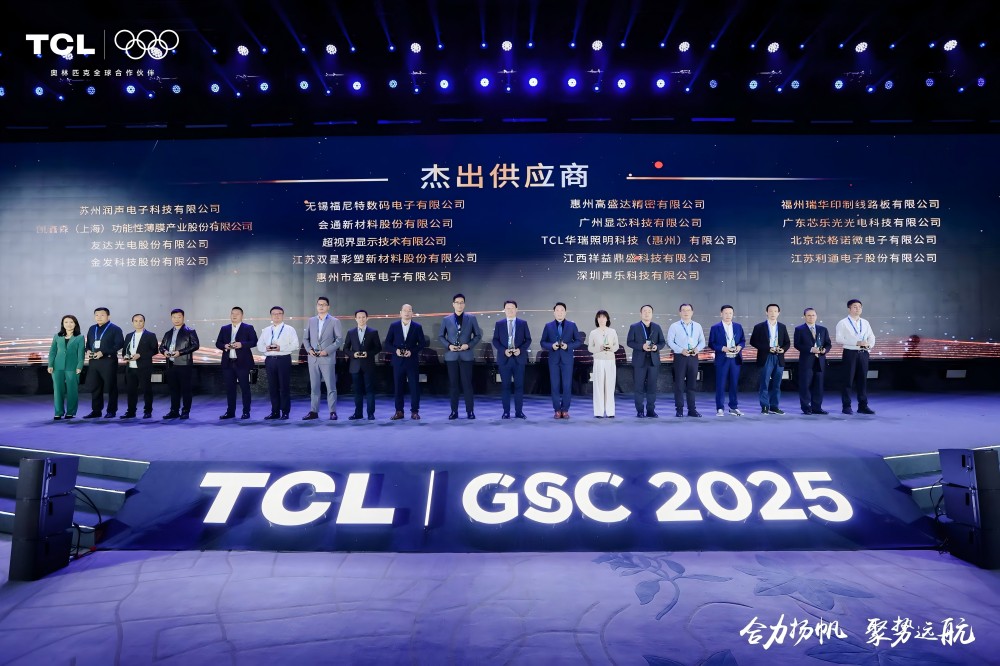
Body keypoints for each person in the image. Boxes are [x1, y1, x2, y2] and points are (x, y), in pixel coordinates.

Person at [439, 293, 483, 420]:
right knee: (453, 385)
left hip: (466, 355)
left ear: (464, 304)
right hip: (451, 356)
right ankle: (454, 411)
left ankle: (470, 411)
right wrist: (449, 346)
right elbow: (441, 336)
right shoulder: (446, 319)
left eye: (461, 302)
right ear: (453, 304)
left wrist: (468, 345)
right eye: (457, 302)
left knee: (467, 385)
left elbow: (478, 335)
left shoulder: (471, 318)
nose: (459, 305)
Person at [302, 297, 343, 421]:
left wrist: (327, 351)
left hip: (327, 358)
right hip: (313, 358)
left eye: (324, 304)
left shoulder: (334, 321)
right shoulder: (311, 321)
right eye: (319, 304)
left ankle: (332, 412)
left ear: (328, 307)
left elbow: (339, 340)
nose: (321, 306)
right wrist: (309, 350)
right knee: (314, 387)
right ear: (316, 306)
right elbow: (305, 338)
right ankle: (314, 411)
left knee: (331, 387)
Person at [385, 303, 427, 420]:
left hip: (412, 361)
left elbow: (422, 343)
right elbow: (387, 343)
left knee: (414, 387)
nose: (407, 313)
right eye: (405, 310)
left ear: (412, 313)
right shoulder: (394, 326)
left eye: (409, 311)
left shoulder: (417, 327)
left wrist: (412, 351)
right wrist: (396, 351)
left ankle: (415, 411)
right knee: (398, 387)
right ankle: (399, 411)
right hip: (398, 361)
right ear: (400, 313)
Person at [256, 306, 299, 420]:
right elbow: (259, 345)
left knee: (284, 387)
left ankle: (285, 412)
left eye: (279, 313)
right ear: (271, 316)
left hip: (283, 359)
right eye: (274, 314)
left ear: (283, 315)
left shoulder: (289, 329)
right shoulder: (266, 330)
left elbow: (295, 345)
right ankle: (275, 412)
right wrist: (266, 348)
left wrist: (281, 348)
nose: (276, 315)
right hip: (270, 360)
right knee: (272, 387)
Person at [215, 306, 258, 420]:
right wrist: (225, 346)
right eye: (232, 313)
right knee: (230, 389)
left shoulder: (248, 328)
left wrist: (242, 344)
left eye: (237, 314)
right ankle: (230, 412)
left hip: (243, 363)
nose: (234, 316)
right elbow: (218, 343)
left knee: (245, 388)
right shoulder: (224, 328)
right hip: (228, 363)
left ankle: (246, 412)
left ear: (242, 316)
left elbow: (254, 341)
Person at [540, 302, 582, 419]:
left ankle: (565, 409)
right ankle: (557, 410)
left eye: (562, 310)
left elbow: (578, 341)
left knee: (567, 385)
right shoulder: (548, 326)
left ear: (565, 312)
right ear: (554, 313)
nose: (559, 312)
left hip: (567, 359)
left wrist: (568, 346)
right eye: (557, 310)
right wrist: (551, 346)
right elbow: (543, 342)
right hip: (553, 359)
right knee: (555, 385)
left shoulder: (572, 325)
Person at [491, 300, 531, 419]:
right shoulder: (499, 324)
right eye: (507, 308)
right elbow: (495, 340)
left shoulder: (523, 323)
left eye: (512, 308)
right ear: (504, 310)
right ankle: (506, 412)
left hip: (519, 359)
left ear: (516, 309)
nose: (510, 310)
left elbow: (528, 339)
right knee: (505, 386)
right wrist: (503, 350)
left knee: (519, 386)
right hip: (505, 359)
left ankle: (519, 412)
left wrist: (521, 350)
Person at [836, 298, 876, 415]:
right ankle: (846, 406)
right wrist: (856, 342)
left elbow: (871, 336)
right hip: (850, 353)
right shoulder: (843, 322)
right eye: (854, 307)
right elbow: (839, 339)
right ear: (849, 309)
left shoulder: (865, 322)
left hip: (864, 353)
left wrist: (869, 345)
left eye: (859, 307)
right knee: (848, 380)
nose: (857, 309)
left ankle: (863, 406)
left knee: (862, 380)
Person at [83, 307, 124, 418]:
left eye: (102, 315)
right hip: (94, 362)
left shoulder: (115, 329)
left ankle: (111, 410)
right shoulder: (92, 328)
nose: (99, 317)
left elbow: (119, 344)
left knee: (111, 387)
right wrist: (87, 351)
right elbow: (88, 344)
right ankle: (96, 411)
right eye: (96, 315)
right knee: (95, 387)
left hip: (108, 361)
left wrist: (104, 352)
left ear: (108, 316)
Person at [158, 308, 200, 419]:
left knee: (186, 389)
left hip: (184, 364)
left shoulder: (190, 331)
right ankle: (174, 411)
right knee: (173, 389)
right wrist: (164, 352)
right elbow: (161, 347)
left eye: (179, 317)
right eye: (174, 317)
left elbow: (195, 345)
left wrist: (180, 352)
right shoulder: (168, 333)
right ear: (171, 318)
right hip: (170, 364)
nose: (176, 319)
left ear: (183, 317)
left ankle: (185, 411)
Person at [749, 304, 791, 415]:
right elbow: (753, 342)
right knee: (764, 383)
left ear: (778, 313)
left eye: (775, 311)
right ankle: (764, 406)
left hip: (779, 358)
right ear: (766, 312)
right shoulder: (759, 327)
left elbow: (787, 343)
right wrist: (768, 348)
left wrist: (783, 349)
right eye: (771, 311)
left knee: (777, 384)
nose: (773, 313)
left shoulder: (782, 327)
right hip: (766, 357)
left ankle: (774, 407)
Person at [626, 304, 666, 418]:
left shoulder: (657, 327)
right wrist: (641, 346)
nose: (647, 313)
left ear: (652, 314)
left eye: (649, 311)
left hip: (653, 361)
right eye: (644, 311)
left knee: (652, 387)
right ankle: (640, 411)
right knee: (638, 388)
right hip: (640, 361)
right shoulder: (634, 327)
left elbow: (662, 342)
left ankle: (650, 410)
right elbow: (629, 342)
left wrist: (656, 347)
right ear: (641, 313)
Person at [667, 303, 705, 418]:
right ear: (680, 312)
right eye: (683, 310)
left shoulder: (697, 326)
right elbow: (670, 341)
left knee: (692, 385)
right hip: (680, 357)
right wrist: (681, 350)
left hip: (693, 357)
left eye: (688, 310)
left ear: (692, 312)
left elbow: (702, 341)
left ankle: (692, 410)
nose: (686, 312)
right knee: (679, 385)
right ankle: (679, 410)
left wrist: (697, 349)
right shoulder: (674, 326)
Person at [343, 309, 382, 420]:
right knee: (357, 391)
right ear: (355, 319)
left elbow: (378, 348)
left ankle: (370, 414)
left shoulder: (373, 332)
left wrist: (368, 354)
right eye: (359, 317)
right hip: (355, 366)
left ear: (367, 318)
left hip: (368, 365)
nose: (361, 319)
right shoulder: (351, 332)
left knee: (370, 390)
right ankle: (358, 414)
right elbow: (345, 348)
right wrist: (353, 354)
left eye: (363, 317)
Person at [708, 305, 746, 417]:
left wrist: (739, 347)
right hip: (722, 359)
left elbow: (743, 340)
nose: (728, 315)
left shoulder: (738, 326)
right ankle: (720, 408)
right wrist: (722, 348)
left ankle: (733, 407)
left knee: (734, 384)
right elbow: (711, 343)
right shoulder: (715, 327)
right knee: (720, 384)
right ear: (721, 314)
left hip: (735, 359)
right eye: (726, 313)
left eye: (730, 313)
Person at [794, 308, 833, 415]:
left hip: (820, 361)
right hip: (806, 361)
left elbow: (828, 344)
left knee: (818, 385)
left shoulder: (823, 329)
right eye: (809, 315)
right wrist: (811, 349)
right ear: (804, 317)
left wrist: (825, 350)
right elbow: (797, 344)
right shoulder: (799, 329)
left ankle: (817, 407)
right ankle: (806, 407)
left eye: (813, 315)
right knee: (805, 385)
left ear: (816, 316)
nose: (811, 317)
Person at [47, 315, 85, 420]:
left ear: (75, 324)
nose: (69, 324)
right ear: (63, 324)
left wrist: (79, 366)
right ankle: (58, 412)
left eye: (71, 322)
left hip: (72, 367)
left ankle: (71, 412)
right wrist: (50, 364)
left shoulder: (80, 337)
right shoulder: (57, 336)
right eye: (66, 322)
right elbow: (52, 352)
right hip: (57, 367)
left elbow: (81, 354)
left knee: (72, 390)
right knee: (58, 390)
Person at [121, 313, 158, 419]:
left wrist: (140, 355)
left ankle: (148, 411)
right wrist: (125, 356)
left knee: (147, 390)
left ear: (144, 322)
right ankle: (131, 412)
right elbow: (124, 350)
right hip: (130, 367)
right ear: (132, 322)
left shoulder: (150, 335)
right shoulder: (129, 336)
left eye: (140, 321)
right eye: (136, 321)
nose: (138, 323)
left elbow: (154, 350)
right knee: (131, 391)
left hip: (144, 367)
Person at [586, 310, 619, 418]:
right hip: (598, 360)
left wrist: (611, 348)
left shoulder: (612, 331)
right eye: (599, 317)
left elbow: (616, 346)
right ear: (597, 319)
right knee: (598, 386)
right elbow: (590, 348)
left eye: (604, 317)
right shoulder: (593, 332)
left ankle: (610, 412)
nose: (601, 319)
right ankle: (598, 412)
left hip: (610, 360)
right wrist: (598, 348)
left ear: (607, 319)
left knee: (610, 386)